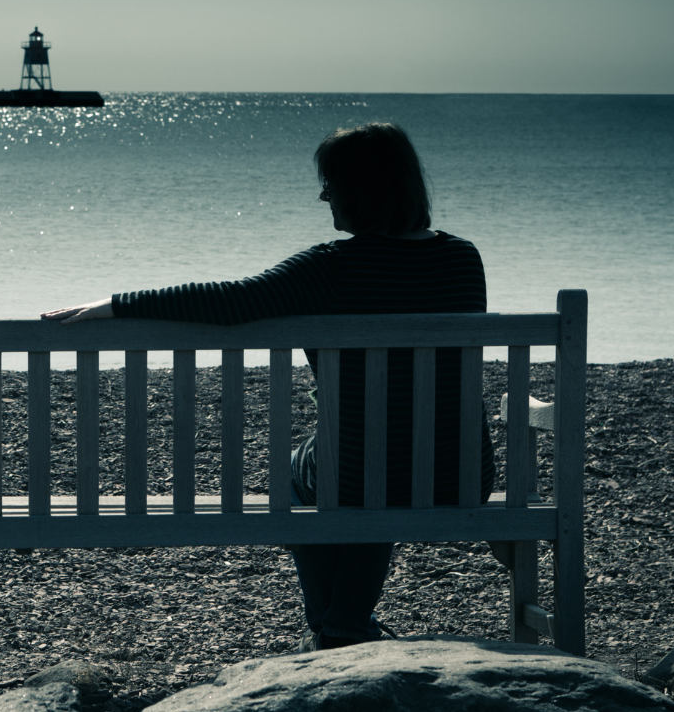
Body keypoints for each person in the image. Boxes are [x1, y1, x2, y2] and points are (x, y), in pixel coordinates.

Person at [41, 121, 494, 650]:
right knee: (379, 464)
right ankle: (343, 623)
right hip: (460, 475)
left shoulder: (330, 267)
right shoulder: (463, 258)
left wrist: (116, 304)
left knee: (310, 471)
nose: (323, 195)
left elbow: (230, 301)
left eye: (332, 183)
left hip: (359, 479)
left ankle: (336, 623)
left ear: (360, 189)